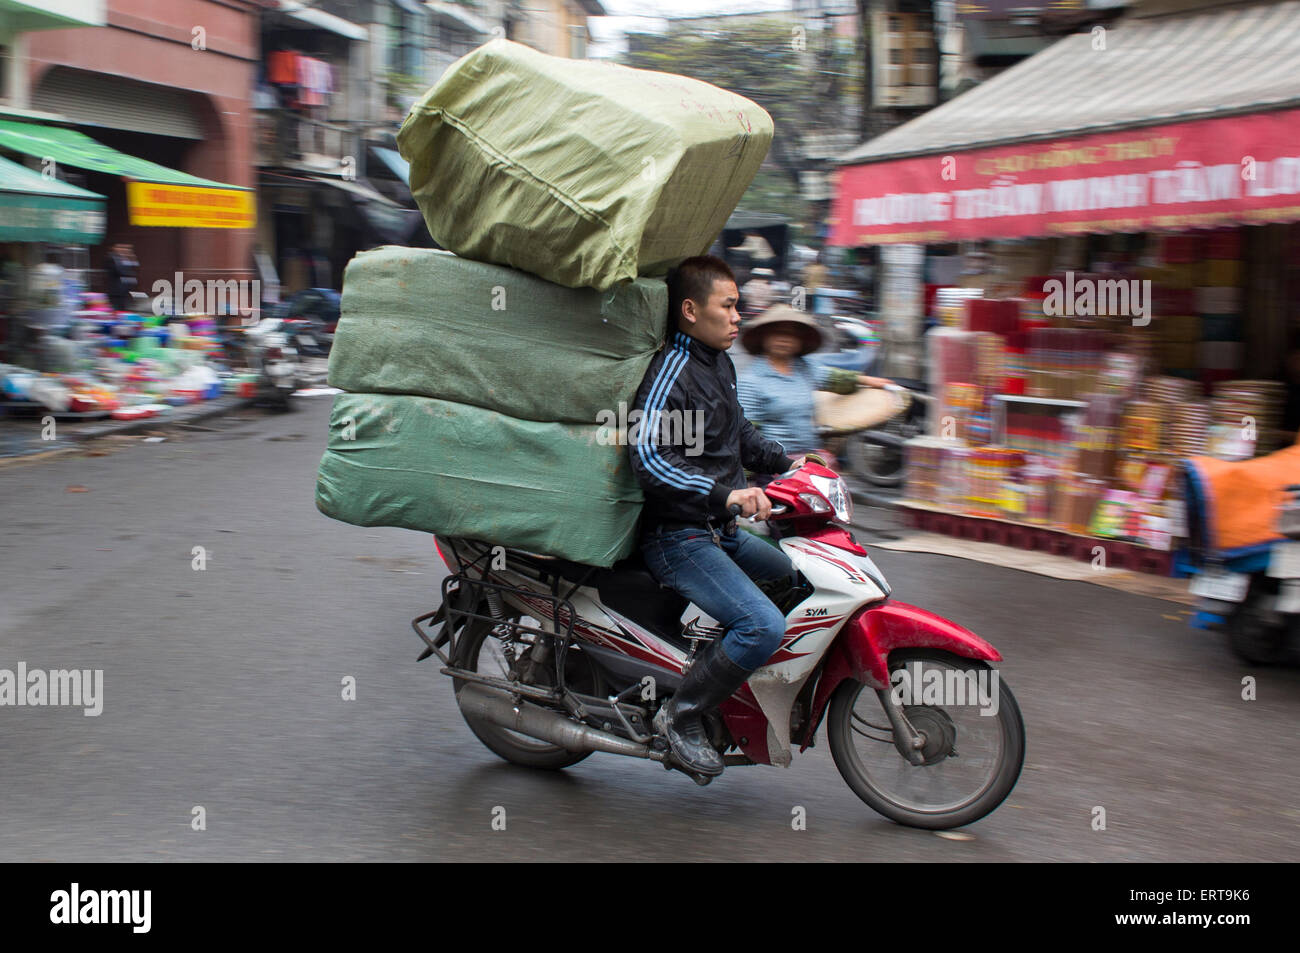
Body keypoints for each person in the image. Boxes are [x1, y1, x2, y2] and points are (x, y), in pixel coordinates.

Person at [629, 255, 804, 780]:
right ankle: (679, 715)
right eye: (727, 306)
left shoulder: (719, 363)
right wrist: (726, 495)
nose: (737, 318)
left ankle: (722, 679)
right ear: (689, 310)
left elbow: (739, 432)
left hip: (717, 533)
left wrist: (788, 462)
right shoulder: (672, 371)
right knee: (761, 624)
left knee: (793, 578)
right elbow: (649, 454)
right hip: (677, 536)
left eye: (737, 307)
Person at [737, 305, 891, 476]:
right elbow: (747, 437)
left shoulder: (805, 367)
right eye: (777, 333)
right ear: (764, 337)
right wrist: (747, 483)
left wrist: (869, 381)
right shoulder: (751, 380)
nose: (784, 339)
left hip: (809, 460)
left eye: (791, 334)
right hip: (777, 467)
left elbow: (835, 379)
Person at [104, 243, 138, 312]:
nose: (125, 250)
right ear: (116, 248)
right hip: (116, 291)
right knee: (116, 310)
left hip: (123, 291)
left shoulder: (124, 258)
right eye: (122, 248)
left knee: (123, 310)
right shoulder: (111, 258)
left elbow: (133, 269)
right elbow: (120, 271)